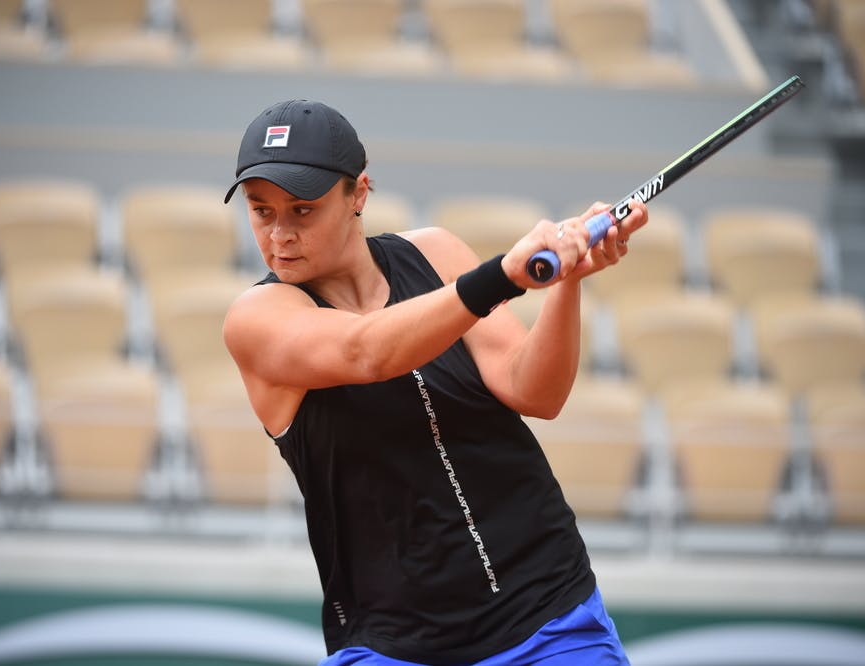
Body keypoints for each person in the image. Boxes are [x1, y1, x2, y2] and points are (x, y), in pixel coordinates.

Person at [223, 99, 647, 666]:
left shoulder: (436, 253)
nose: (280, 235)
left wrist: (566, 278)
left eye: (302, 210)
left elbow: (535, 392)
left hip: (549, 614)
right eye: (260, 211)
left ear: (359, 195)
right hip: (392, 645)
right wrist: (499, 277)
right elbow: (365, 350)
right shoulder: (255, 318)